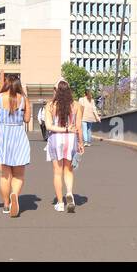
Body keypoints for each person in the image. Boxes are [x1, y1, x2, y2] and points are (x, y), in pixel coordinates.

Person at [0, 78, 31, 218]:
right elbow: (27, 119)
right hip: (18, 134)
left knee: (4, 174)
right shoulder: (24, 99)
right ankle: (15, 194)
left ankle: (6, 204)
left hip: (2, 135)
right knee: (19, 174)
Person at [44, 78, 84, 214]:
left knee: (57, 172)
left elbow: (49, 126)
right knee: (68, 170)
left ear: (56, 91)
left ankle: (60, 203)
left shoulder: (50, 106)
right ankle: (69, 193)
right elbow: (78, 126)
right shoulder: (76, 105)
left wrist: (63, 129)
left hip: (55, 139)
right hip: (71, 139)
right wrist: (81, 143)